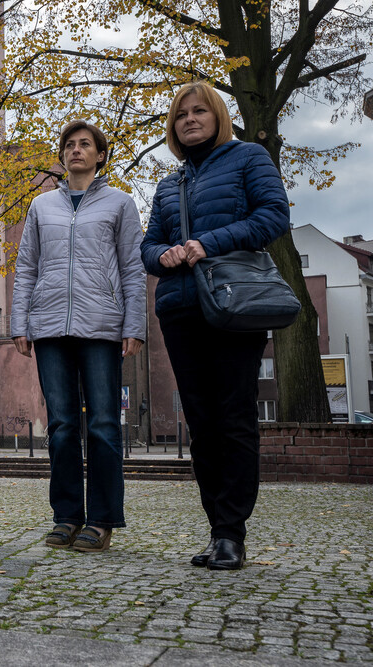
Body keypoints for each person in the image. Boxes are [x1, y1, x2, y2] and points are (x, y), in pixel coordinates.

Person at [141, 81, 290, 571]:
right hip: (182, 310)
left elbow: (273, 216)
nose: (189, 119)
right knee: (202, 425)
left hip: (234, 305)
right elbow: (148, 247)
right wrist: (163, 255)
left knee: (235, 418)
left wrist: (208, 242)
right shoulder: (169, 184)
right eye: (181, 114)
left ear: (218, 115)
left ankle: (232, 533)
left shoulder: (249, 158)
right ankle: (216, 529)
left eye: (199, 110)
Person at [11, 120, 145, 553]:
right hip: (49, 325)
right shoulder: (41, 206)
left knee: (104, 424)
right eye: (69, 145)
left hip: (102, 325)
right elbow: (26, 266)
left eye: (85, 144)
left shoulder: (121, 204)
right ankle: (67, 516)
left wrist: (134, 326)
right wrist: (20, 323)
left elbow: (132, 269)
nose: (76, 150)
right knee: (63, 424)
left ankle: (102, 519)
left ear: (100, 155)